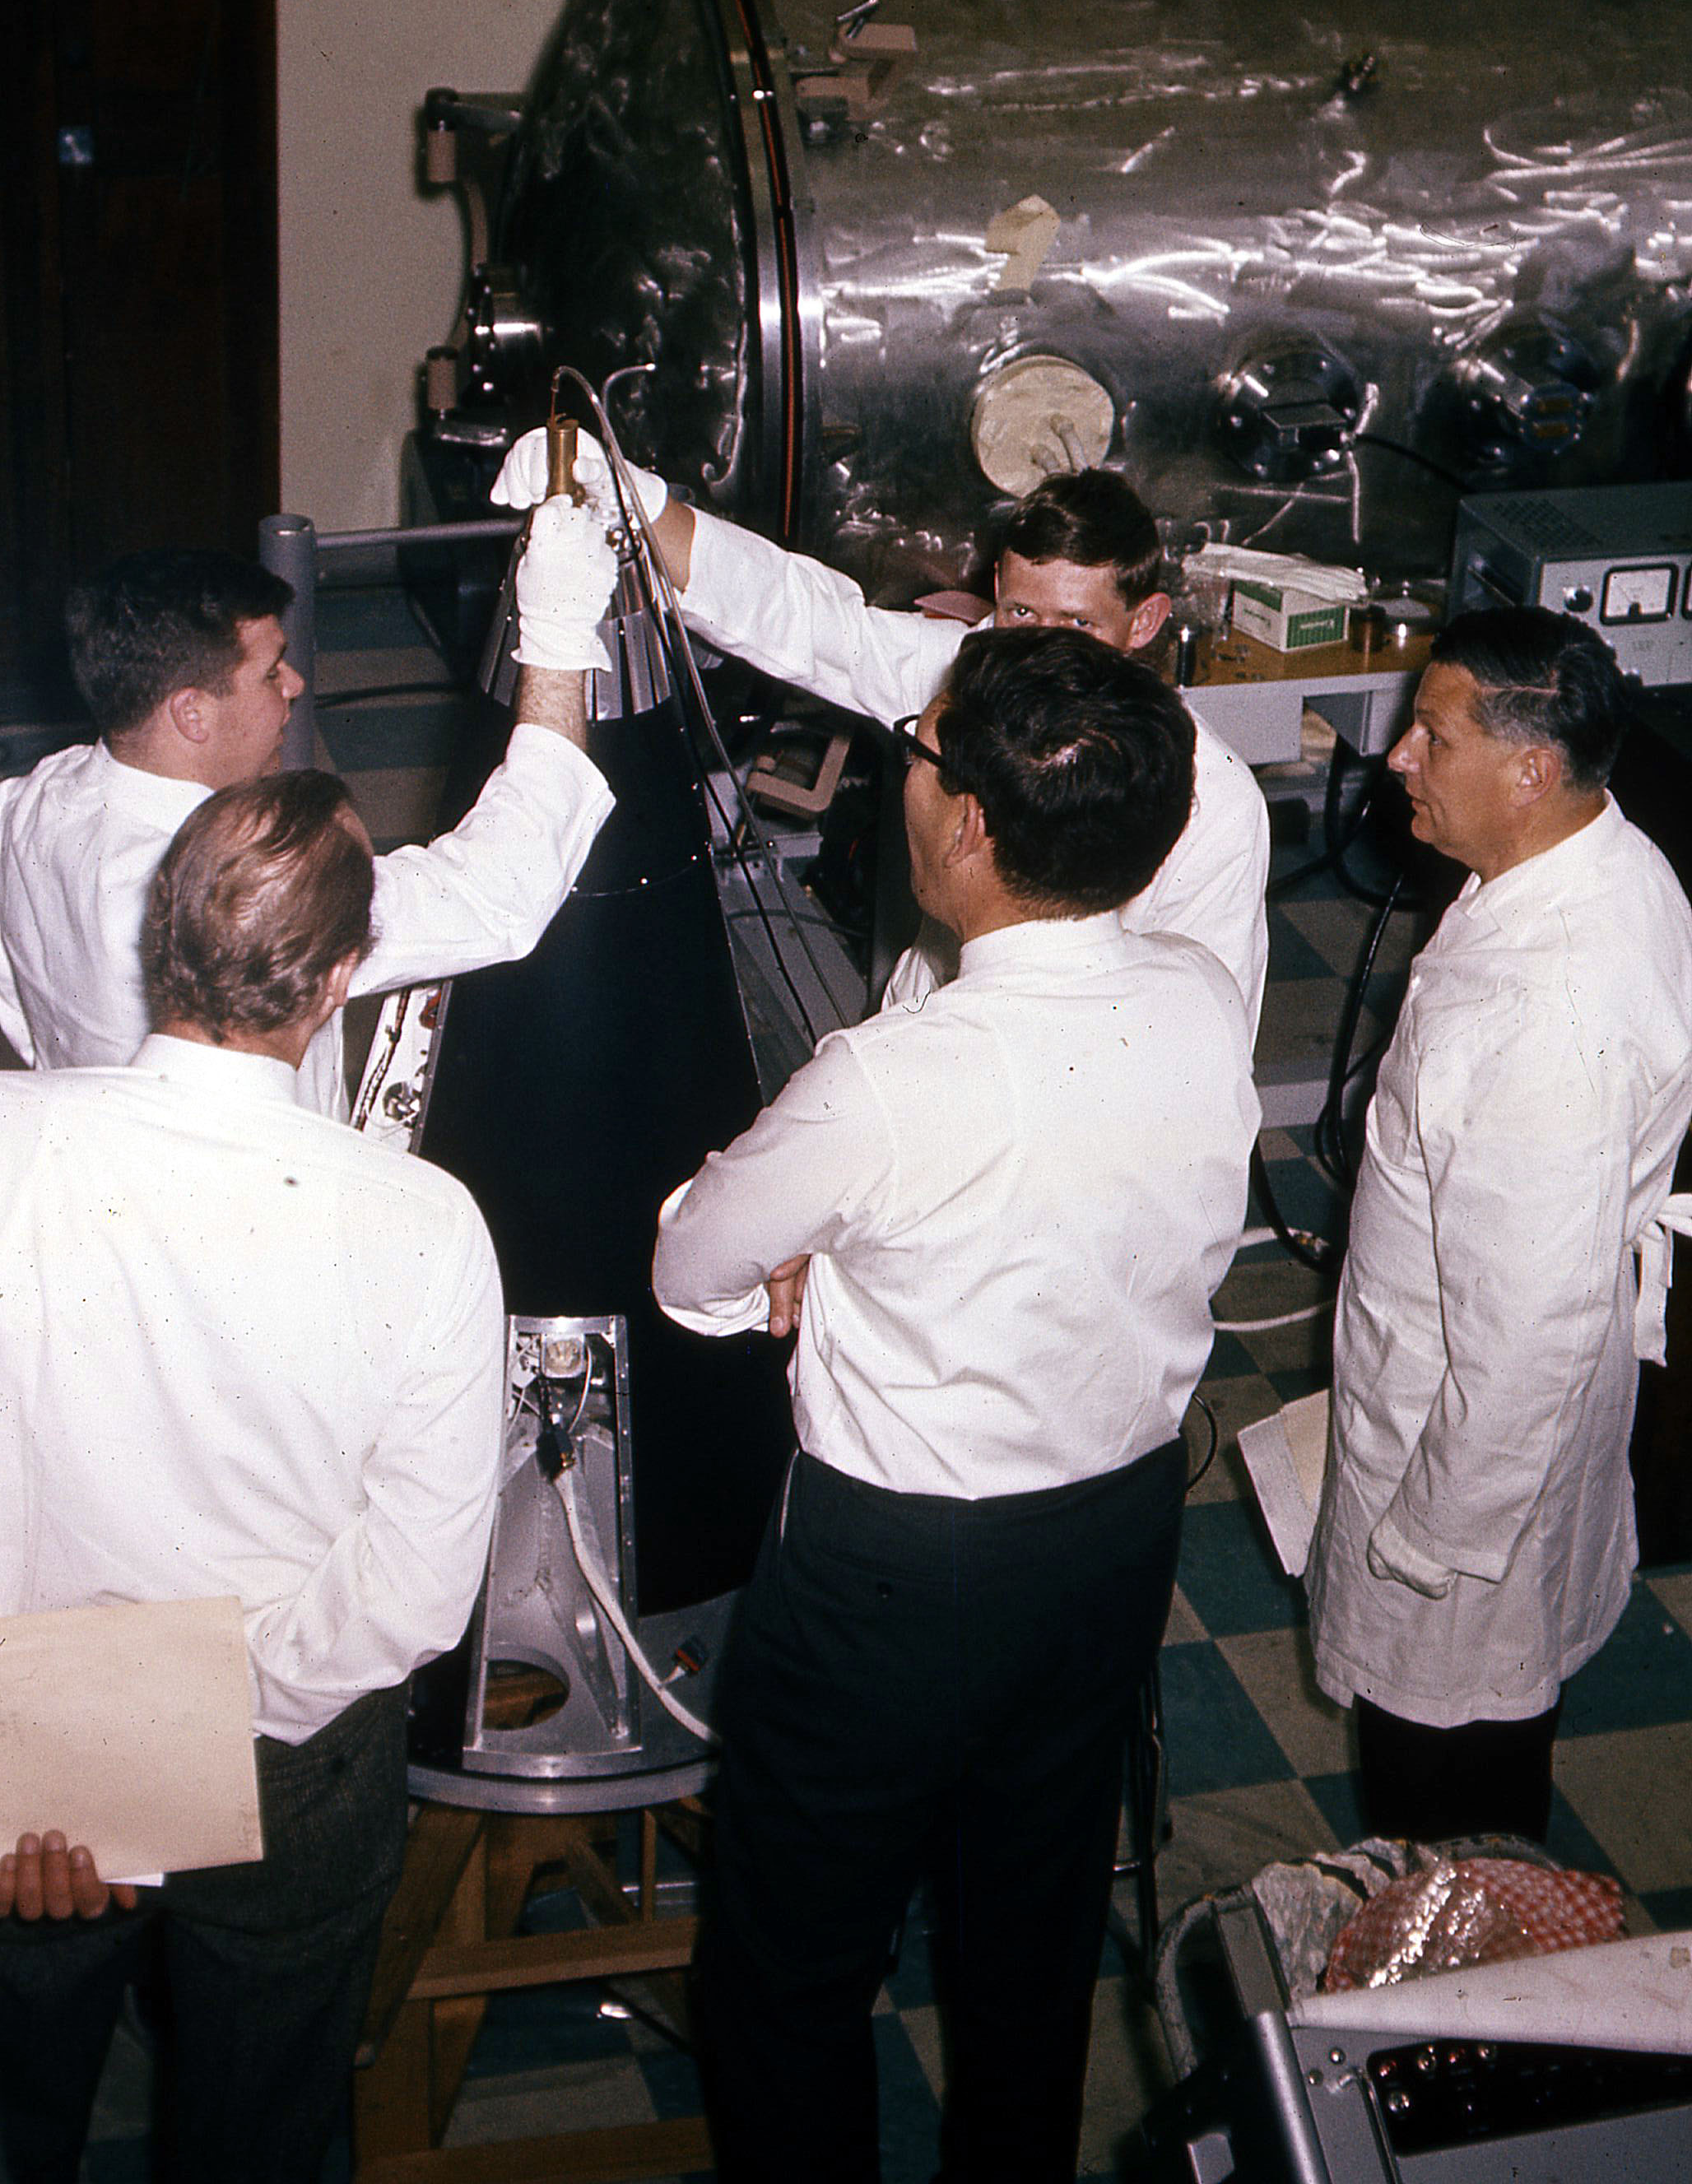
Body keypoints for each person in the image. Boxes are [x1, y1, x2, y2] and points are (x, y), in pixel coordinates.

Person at [654, 628, 1259, 2182]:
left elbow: (691, 1265)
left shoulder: (886, 1075)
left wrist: (776, 1275)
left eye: (916, 752)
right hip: (1115, 1542)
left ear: (974, 823)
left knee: (788, 1964)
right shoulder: (1200, 995)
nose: (901, 777)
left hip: (891, 1575)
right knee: (1029, 1939)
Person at [0, 770, 508, 2184]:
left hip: (26, 1760)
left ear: (160, 930)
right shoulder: (422, 1220)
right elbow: (409, 1598)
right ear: (342, 975)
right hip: (293, 1759)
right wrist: (179, 1741)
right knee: (262, 2134)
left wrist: (78, 1761)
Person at [1306, 607, 1692, 1846]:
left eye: (1432, 735)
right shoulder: (1583, 862)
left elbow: (1527, 1334)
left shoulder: (1551, 1020)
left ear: (1532, 769)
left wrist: (1429, 1538)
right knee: (1489, 1759)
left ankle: (1458, 2021)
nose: (1399, 759)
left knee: (1447, 1802)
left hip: (1466, 1492)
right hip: (1489, 1441)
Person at [492, 433, 1271, 1032]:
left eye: (1077, 623)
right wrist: (637, 499)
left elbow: (1199, 1032)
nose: (1040, 650)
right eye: (1022, 614)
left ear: (1146, 622)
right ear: (994, 590)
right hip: (925, 1039)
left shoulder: (1217, 802)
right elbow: (810, 619)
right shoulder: (973, 673)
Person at [0, 494, 618, 1113]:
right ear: (191, 713)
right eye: (271, 672)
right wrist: (559, 634)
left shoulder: (32, 801)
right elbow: (497, 889)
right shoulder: (249, 886)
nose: (296, 685)